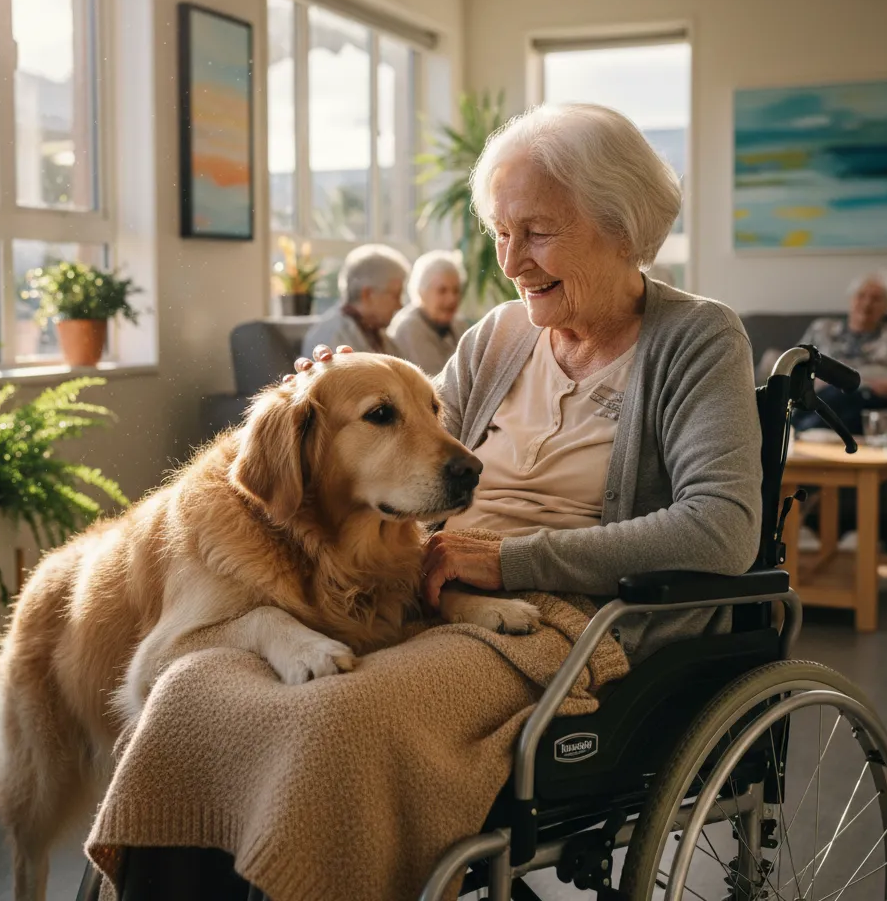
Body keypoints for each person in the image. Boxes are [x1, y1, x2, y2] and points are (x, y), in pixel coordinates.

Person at [298, 103, 762, 664]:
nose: (512, 263)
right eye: (501, 233)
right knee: (207, 677)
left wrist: (506, 560)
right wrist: (345, 394)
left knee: (330, 717)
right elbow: (408, 457)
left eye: (538, 232)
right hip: (431, 598)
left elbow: (722, 529)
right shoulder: (499, 334)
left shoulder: (698, 338)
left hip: (571, 620)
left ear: (624, 228)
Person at [793, 270, 887, 434]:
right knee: (835, 395)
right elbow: (794, 363)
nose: (867, 304)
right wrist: (811, 382)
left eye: (876, 299)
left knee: (851, 395)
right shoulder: (822, 328)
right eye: (861, 296)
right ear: (851, 300)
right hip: (825, 395)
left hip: (875, 398)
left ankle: (806, 428)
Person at [301, 244, 410, 359]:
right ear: (367, 295)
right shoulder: (330, 338)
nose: (399, 305)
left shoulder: (378, 335)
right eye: (395, 295)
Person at [388, 250, 468, 376]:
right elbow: (434, 384)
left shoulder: (458, 324)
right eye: (442, 291)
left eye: (456, 290)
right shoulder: (409, 327)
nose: (452, 299)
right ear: (421, 292)